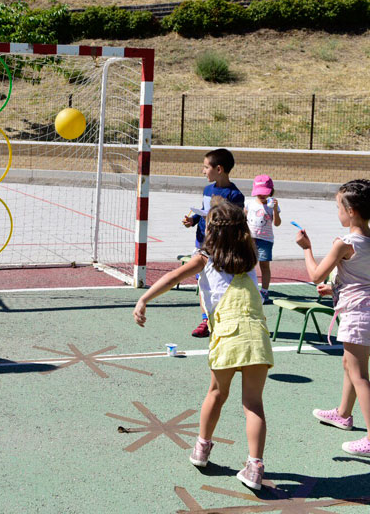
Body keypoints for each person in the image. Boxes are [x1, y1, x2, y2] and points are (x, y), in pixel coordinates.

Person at [135, 198, 273, 490]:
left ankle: (202, 448)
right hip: (256, 336)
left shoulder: (205, 259)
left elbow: (173, 277)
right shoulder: (250, 259)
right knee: (253, 405)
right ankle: (255, 467)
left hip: (227, 335)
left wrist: (144, 299)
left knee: (216, 393)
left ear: (211, 231)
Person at [295, 179, 370, 459]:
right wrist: (335, 287)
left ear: (351, 210)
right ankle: (343, 414)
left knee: (359, 375)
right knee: (350, 365)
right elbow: (364, 277)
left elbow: (315, 275)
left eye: (338, 206)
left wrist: (306, 247)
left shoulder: (345, 242)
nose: (337, 211)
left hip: (358, 313)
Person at [182, 148, 245, 338]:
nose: (203, 171)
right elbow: (203, 210)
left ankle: (224, 318)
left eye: (205, 167)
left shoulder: (235, 196)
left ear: (219, 169)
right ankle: (205, 320)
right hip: (201, 244)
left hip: (220, 248)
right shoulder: (208, 189)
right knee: (203, 284)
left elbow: (234, 223)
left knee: (220, 285)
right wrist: (193, 220)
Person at [245, 175, 281, 304]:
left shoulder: (272, 205)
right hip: (250, 239)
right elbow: (244, 217)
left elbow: (277, 223)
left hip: (265, 240)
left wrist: (275, 210)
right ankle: (248, 289)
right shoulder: (249, 203)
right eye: (259, 193)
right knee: (248, 264)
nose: (262, 196)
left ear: (271, 191)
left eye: (264, 193)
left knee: (264, 265)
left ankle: (264, 291)